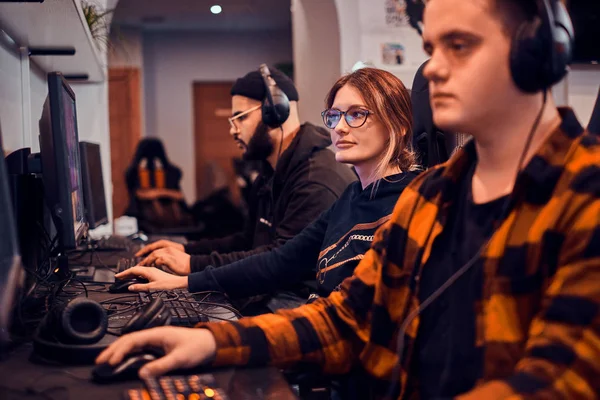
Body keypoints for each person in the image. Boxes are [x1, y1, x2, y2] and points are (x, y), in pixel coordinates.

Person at [97, 1, 600, 399]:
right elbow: (350, 319)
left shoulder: (585, 194)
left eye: (460, 45)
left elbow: (562, 381)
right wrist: (209, 342)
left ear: (538, 50)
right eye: (432, 47)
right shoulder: (430, 197)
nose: (433, 71)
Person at [113, 68, 420, 315]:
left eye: (356, 114)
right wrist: (184, 281)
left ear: (399, 125)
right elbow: (280, 261)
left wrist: (189, 277)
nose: (339, 127)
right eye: (334, 116)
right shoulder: (352, 197)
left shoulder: (409, 205)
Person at [133, 66, 357, 277]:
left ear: (275, 112)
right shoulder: (270, 173)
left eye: (241, 117)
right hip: (272, 288)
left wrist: (192, 266)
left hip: (296, 298)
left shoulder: (314, 181)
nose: (232, 129)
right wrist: (185, 251)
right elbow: (248, 241)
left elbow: (282, 265)